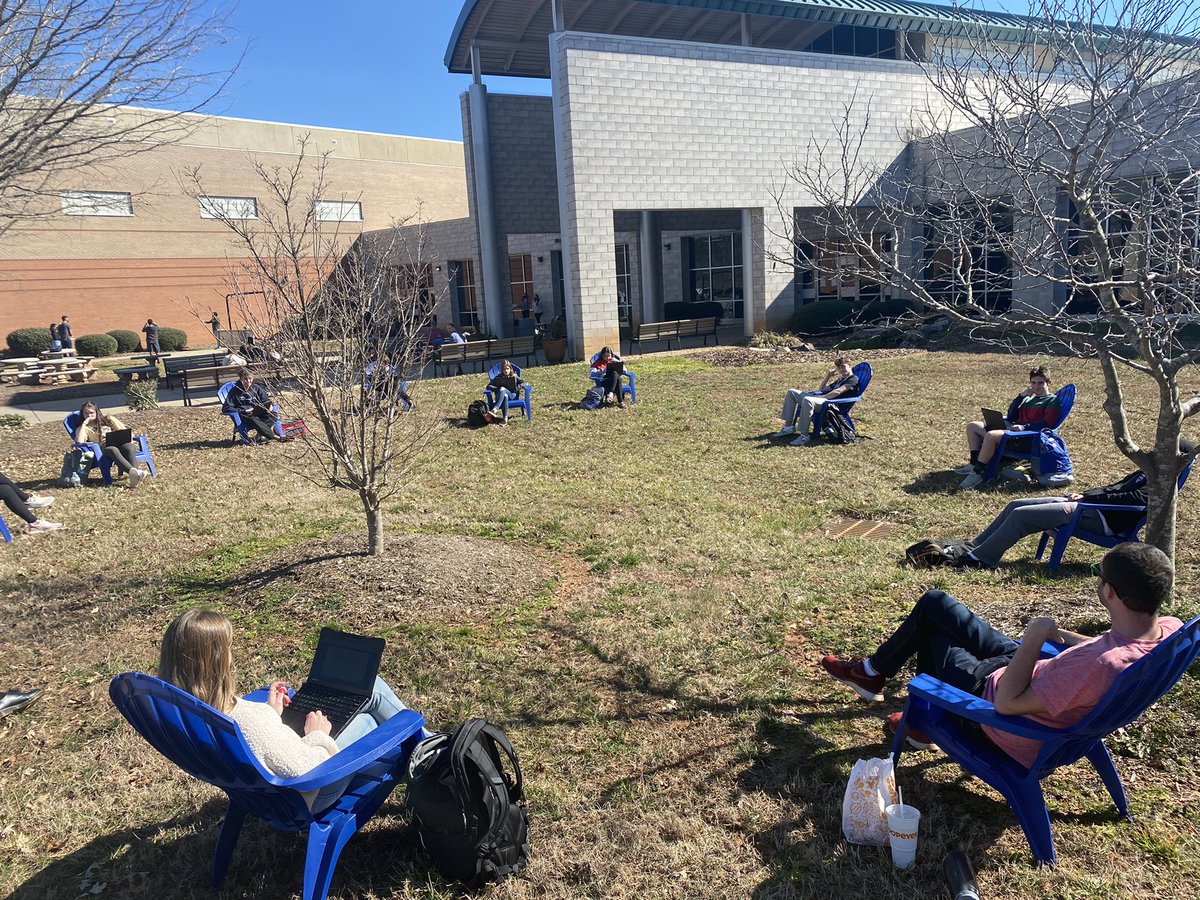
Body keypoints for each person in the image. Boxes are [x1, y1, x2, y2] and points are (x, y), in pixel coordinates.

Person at [821, 542, 1182, 765]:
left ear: (1111, 593)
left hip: (998, 702)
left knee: (932, 633)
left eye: (1098, 575)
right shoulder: (1166, 629)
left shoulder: (1097, 667)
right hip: (1044, 672)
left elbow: (1008, 704)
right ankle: (873, 672)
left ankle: (920, 723)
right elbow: (1102, 650)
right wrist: (1058, 636)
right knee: (937, 602)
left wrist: (1035, 636)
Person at [158, 609, 419, 812]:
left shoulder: (188, 714)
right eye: (227, 649)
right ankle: (432, 757)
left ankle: (431, 750)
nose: (231, 655)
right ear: (216, 661)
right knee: (370, 716)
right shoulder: (250, 721)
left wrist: (272, 713)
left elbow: (259, 738)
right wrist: (318, 735)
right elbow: (306, 771)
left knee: (370, 693)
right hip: (307, 797)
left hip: (258, 792)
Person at [950, 443, 1194, 567]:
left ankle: (981, 559)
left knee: (1022, 517)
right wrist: (1084, 494)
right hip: (1091, 506)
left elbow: (1133, 500)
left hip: (1103, 518)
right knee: (1016, 503)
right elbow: (1115, 488)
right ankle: (974, 545)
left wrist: (1088, 500)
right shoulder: (1148, 471)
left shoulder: (1163, 483)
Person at [959, 366, 1061, 489]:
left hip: (1028, 440)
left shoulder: (1052, 401)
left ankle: (978, 472)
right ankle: (974, 463)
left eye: (1040, 383)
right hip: (1013, 433)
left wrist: (1024, 427)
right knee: (973, 426)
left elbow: (1048, 423)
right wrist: (1021, 397)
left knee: (991, 435)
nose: (1036, 386)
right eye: (1033, 383)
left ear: (1049, 382)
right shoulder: (1029, 399)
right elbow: (1012, 414)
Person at [771, 357, 860, 446]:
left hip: (831, 406)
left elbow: (838, 391)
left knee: (807, 400)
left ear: (849, 365)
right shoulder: (840, 380)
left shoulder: (853, 379)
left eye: (843, 367)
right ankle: (788, 427)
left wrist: (822, 398)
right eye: (839, 367)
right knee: (792, 392)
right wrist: (828, 376)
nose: (841, 370)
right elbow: (822, 389)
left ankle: (804, 435)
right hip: (825, 401)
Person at [74, 401, 150, 488]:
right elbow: (79, 442)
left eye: (91, 413)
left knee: (129, 447)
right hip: (104, 448)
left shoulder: (109, 419)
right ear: (82, 414)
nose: (89, 415)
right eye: (86, 413)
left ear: (97, 412)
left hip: (119, 442)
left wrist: (130, 438)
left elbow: (124, 430)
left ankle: (134, 475)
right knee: (112, 449)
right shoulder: (83, 428)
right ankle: (136, 473)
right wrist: (84, 424)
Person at [223, 368, 287, 443]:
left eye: (250, 378)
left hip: (257, 412)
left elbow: (266, 400)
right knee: (253, 419)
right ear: (241, 379)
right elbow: (226, 408)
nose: (248, 381)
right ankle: (276, 437)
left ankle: (258, 436)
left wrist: (270, 405)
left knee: (274, 415)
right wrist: (244, 410)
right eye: (245, 379)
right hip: (244, 416)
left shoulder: (256, 388)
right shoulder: (234, 391)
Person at [487, 359, 524, 424]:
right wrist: (496, 389)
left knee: (503, 390)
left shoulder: (514, 376)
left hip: (512, 395)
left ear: (510, 369)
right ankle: (505, 419)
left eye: (507, 369)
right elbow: (488, 386)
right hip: (501, 397)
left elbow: (523, 383)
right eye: (504, 369)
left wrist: (517, 387)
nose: (506, 371)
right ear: (502, 370)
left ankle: (495, 409)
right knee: (505, 395)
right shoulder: (498, 377)